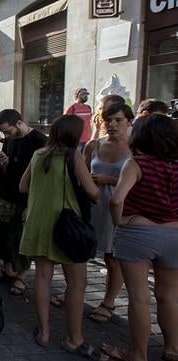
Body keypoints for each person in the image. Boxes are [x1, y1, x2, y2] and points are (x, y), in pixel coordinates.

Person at [19, 115, 100, 357]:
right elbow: (93, 191)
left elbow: (22, 186)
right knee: (76, 284)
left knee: (43, 277)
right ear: (75, 135)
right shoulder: (73, 156)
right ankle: (74, 338)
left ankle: (44, 332)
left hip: (39, 224)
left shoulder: (38, 155)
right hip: (68, 228)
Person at [100, 114, 178, 361]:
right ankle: (172, 349)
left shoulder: (136, 164)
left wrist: (118, 221)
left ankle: (137, 354)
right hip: (174, 233)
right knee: (168, 296)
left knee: (139, 297)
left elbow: (116, 199)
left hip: (138, 233)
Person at [0, 109, 47, 296]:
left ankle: (20, 275)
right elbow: (8, 169)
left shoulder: (39, 141)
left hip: (26, 198)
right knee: (2, 234)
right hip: (7, 194)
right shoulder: (9, 140)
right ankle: (6, 268)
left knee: (20, 237)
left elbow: (42, 177)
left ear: (19, 123)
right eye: (3, 133)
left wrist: (32, 205)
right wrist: (4, 162)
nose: (6, 136)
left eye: (7, 131)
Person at [81, 102, 133, 323]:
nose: (112, 124)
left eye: (118, 120)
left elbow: (141, 181)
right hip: (93, 207)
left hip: (119, 208)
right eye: (107, 120)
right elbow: (81, 173)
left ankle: (108, 302)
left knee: (113, 258)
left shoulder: (136, 148)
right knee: (80, 253)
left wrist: (109, 180)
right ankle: (72, 292)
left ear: (129, 121)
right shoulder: (93, 145)